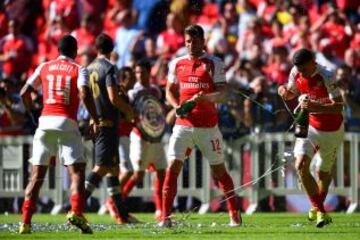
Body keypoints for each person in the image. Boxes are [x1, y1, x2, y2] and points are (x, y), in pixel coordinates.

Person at [160, 24, 242, 228]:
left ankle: (235, 215)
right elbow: (169, 90)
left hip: (208, 127)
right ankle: (165, 218)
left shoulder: (214, 63)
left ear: (203, 41)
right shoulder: (176, 63)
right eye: (187, 41)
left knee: (219, 171)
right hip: (182, 125)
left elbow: (222, 94)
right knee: (172, 168)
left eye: (195, 41)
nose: (191, 45)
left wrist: (203, 97)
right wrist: (177, 106)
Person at [19, 34, 100, 234]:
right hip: (66, 121)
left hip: (45, 121)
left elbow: (23, 93)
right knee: (77, 172)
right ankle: (76, 212)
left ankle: (25, 223)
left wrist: (32, 113)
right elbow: (84, 93)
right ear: (74, 51)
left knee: (36, 177)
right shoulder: (78, 69)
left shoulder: (44, 66)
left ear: (58, 50)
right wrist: (95, 118)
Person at [278, 48, 344, 228]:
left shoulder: (327, 75)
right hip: (311, 127)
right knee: (300, 165)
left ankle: (318, 207)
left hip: (332, 130)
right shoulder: (295, 72)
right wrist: (283, 91)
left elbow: (339, 107)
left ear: (313, 62)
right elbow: (291, 92)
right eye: (298, 69)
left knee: (323, 172)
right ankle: (320, 211)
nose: (301, 73)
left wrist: (314, 105)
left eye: (304, 69)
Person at [82, 33, 137, 224]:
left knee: (113, 170)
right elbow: (113, 98)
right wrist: (129, 111)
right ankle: (75, 207)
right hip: (108, 124)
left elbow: (86, 96)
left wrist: (91, 118)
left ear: (96, 48)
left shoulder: (88, 69)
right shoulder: (109, 68)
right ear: (112, 48)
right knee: (102, 167)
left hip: (97, 122)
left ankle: (122, 216)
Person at [114, 59, 167, 222]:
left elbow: (159, 112)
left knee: (161, 172)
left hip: (155, 137)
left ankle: (160, 210)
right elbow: (127, 114)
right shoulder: (133, 93)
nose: (139, 75)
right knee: (137, 175)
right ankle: (116, 203)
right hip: (139, 136)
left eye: (142, 72)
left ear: (148, 72)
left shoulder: (155, 91)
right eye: (137, 72)